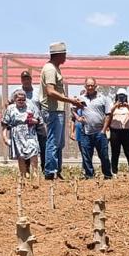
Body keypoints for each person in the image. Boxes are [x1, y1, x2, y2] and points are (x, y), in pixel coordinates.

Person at [40, 41, 85, 180]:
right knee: (53, 141)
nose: (66, 56)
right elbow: (50, 92)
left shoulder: (55, 68)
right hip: (52, 110)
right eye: (64, 54)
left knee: (58, 143)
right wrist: (70, 100)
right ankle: (50, 172)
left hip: (57, 109)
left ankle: (56, 170)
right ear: (58, 54)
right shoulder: (50, 69)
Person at [73, 78, 113, 179]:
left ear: (96, 86)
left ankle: (107, 175)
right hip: (85, 132)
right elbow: (72, 109)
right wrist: (78, 118)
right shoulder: (81, 98)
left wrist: (104, 130)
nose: (90, 87)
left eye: (92, 85)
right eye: (88, 85)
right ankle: (89, 175)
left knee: (104, 156)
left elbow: (108, 115)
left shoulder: (103, 98)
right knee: (86, 156)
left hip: (100, 131)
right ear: (85, 86)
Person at [2, 89, 42, 178]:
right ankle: (23, 175)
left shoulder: (31, 107)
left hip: (29, 132)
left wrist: (33, 120)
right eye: (19, 100)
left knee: (33, 151)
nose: (21, 101)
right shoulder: (10, 108)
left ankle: (35, 174)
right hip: (17, 135)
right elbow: (4, 123)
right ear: (15, 99)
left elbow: (38, 120)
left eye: (23, 99)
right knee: (20, 155)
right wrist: (4, 137)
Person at [107, 91, 129, 175]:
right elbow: (108, 115)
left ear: (126, 96)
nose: (121, 98)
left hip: (127, 131)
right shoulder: (112, 105)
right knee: (115, 153)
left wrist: (127, 107)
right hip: (115, 131)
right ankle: (114, 172)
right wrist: (115, 106)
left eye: (123, 96)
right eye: (120, 96)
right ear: (116, 96)